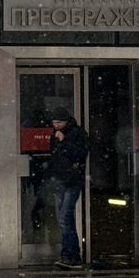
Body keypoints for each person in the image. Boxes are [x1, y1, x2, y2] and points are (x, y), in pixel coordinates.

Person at [46, 108, 89, 269]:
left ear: (66, 121)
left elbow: (80, 153)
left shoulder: (76, 133)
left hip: (72, 181)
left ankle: (73, 255)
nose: (56, 125)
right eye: (54, 122)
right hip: (60, 180)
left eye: (58, 122)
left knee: (65, 216)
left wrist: (64, 141)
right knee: (63, 219)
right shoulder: (55, 135)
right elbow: (55, 158)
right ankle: (68, 255)